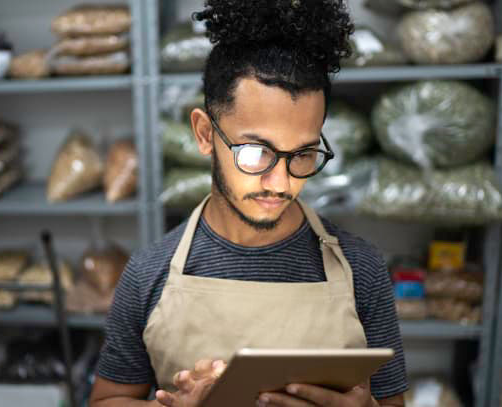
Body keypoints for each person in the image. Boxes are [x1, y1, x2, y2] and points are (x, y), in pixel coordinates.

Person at [90, 1, 407, 406]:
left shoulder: (362, 270)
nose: (281, 182)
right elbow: (105, 400)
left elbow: (393, 401)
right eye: (257, 152)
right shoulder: (148, 274)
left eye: (303, 155)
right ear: (205, 134)